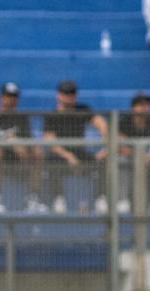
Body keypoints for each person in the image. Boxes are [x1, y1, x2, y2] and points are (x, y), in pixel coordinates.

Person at [42, 80, 109, 214]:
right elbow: (50, 142)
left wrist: (106, 146)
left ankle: (101, 198)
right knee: (51, 162)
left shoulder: (82, 110)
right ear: (59, 95)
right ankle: (58, 198)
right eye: (66, 93)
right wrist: (68, 156)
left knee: (103, 161)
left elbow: (101, 123)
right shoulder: (51, 115)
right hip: (60, 154)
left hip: (80, 152)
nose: (69, 97)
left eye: (72, 94)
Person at [0, 81, 46, 215]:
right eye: (8, 96)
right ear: (1, 97)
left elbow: (30, 140)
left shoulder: (21, 117)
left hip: (19, 157)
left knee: (38, 152)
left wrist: (23, 147)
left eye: (14, 97)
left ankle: (33, 198)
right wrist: (10, 141)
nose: (11, 100)